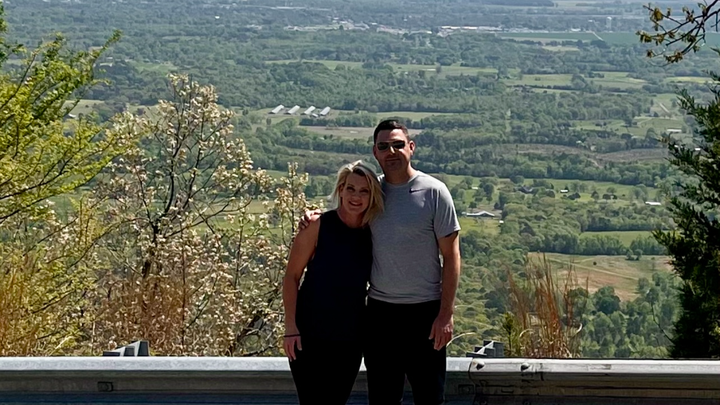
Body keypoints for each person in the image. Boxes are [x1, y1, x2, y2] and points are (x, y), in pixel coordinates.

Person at [302, 119, 462, 405]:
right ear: (375, 152)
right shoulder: (371, 192)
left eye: (398, 145)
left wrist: (445, 314)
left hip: (425, 313)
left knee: (430, 398)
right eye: (384, 146)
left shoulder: (434, 192)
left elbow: (451, 256)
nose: (392, 151)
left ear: (411, 147)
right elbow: (344, 216)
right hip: (379, 315)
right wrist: (313, 217)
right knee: (382, 400)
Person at [282, 160, 384, 405]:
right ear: (340, 190)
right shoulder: (317, 225)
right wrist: (291, 328)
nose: (356, 197)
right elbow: (291, 276)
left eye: (364, 191)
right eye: (351, 188)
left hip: (350, 339)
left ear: (372, 196)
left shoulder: (374, 232)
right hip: (308, 336)